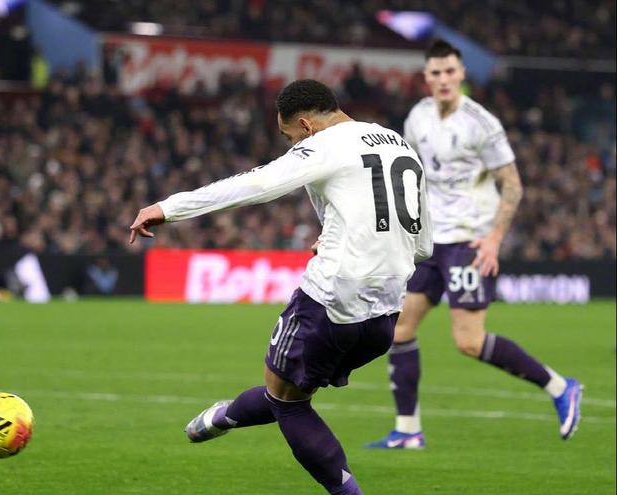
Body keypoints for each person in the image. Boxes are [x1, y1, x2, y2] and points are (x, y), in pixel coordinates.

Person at [129, 79, 432, 494]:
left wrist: (169, 208)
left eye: (290, 138)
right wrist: (344, 237)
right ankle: (224, 416)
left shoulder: (324, 144)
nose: (292, 146)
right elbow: (423, 246)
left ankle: (235, 420)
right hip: (385, 315)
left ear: (306, 126)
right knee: (286, 390)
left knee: (288, 404)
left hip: (330, 299)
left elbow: (257, 184)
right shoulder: (399, 144)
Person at [366, 40, 582, 450]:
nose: (444, 79)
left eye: (450, 71)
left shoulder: (481, 124)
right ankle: (408, 429)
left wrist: (494, 239)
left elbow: (512, 184)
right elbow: (413, 176)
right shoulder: (417, 117)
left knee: (468, 341)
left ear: (462, 74)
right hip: (430, 242)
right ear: (426, 77)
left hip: (468, 241)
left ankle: (560, 386)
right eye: (436, 73)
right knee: (400, 329)